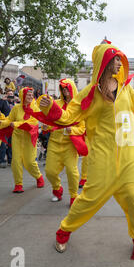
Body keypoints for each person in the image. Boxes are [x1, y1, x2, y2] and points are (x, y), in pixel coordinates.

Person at [36, 42, 134, 260]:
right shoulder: (90, 94)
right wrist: (49, 107)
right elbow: (68, 116)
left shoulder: (126, 88)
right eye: (116, 59)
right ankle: (63, 232)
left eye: (120, 59)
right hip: (102, 161)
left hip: (128, 159)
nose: (120, 63)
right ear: (105, 62)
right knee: (88, 201)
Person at [43, 78, 86, 206]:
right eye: (63, 88)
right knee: (50, 171)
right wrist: (47, 127)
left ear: (72, 88)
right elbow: (50, 122)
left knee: (72, 172)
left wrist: (71, 129)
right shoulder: (55, 104)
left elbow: (82, 128)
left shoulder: (79, 107)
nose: (65, 90)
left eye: (67, 88)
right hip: (54, 143)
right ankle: (57, 189)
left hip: (70, 145)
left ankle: (74, 196)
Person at [0, 87, 45, 193]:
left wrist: (17, 124)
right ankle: (18, 184)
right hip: (17, 137)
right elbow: (9, 119)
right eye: (28, 95)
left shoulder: (35, 108)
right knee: (16, 161)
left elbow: (33, 122)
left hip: (30, 137)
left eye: (32, 95)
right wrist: (2, 122)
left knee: (30, 162)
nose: (31, 97)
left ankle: (38, 177)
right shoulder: (16, 108)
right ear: (22, 96)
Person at [0, 90, 16, 168]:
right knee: (3, 144)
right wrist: (2, 100)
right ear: (6, 95)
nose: (10, 96)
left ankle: (10, 160)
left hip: (12, 126)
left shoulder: (15, 104)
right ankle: (2, 160)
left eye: (12, 94)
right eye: (9, 94)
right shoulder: (3, 102)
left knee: (11, 144)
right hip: (4, 126)